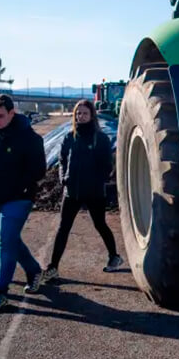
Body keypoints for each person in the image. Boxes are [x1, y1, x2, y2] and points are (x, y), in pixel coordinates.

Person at [0, 94, 46, 312]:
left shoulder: (30, 138)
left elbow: (38, 170)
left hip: (18, 198)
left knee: (5, 243)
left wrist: (19, 187)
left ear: (11, 113)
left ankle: (0, 292)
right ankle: (34, 270)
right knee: (10, 240)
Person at [45, 99, 124, 280]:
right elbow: (62, 158)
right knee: (63, 228)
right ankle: (53, 267)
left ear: (92, 115)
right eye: (78, 113)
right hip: (72, 190)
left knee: (100, 224)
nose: (81, 116)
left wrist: (98, 180)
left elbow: (106, 165)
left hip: (94, 192)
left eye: (85, 113)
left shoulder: (101, 138)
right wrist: (63, 178)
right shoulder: (69, 136)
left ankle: (114, 257)